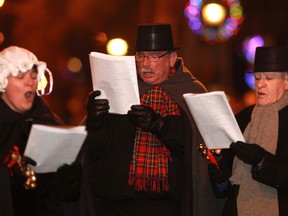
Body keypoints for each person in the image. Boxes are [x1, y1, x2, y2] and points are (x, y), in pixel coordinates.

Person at [82, 24, 223, 216]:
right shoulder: (118, 88)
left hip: (167, 207)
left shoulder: (191, 92)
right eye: (141, 55)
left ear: (172, 59)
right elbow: (96, 151)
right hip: (115, 206)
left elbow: (201, 148)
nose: (145, 63)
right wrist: (95, 122)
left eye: (154, 56)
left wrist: (162, 126)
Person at [0, 46, 82, 216]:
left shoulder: (47, 123)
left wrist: (70, 179)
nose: (29, 81)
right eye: (20, 76)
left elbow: (65, 196)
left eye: (33, 75)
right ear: (2, 82)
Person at [208, 46, 288, 216]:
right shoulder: (244, 117)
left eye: (269, 78)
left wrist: (261, 161)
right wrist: (220, 179)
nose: (260, 84)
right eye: (257, 78)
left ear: (286, 81)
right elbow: (228, 181)